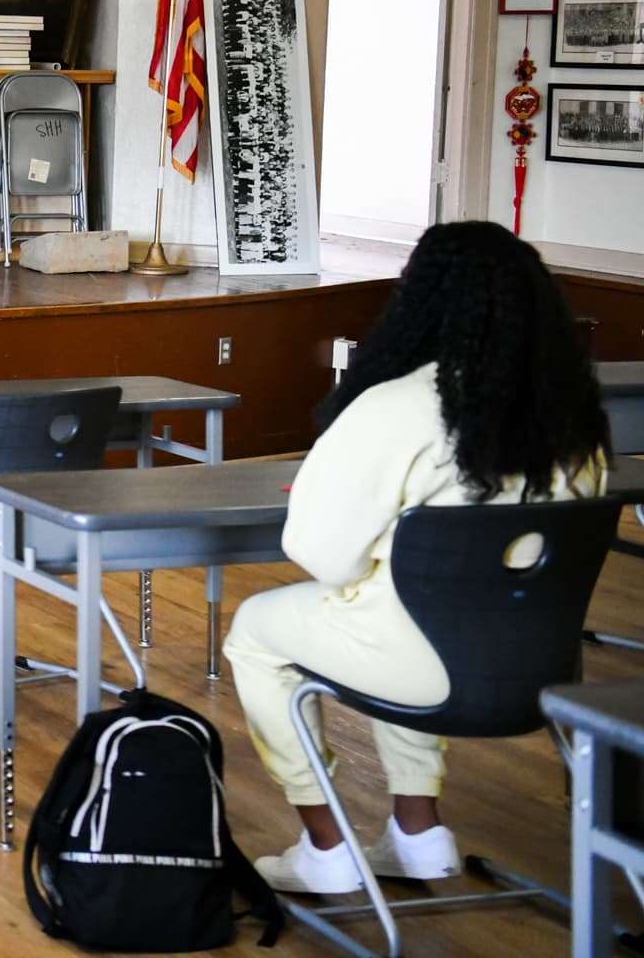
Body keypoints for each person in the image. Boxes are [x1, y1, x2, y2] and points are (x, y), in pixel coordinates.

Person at [223, 221, 609, 894]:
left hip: (422, 669)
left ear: (420, 303)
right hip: (542, 670)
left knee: (260, 630)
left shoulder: (399, 406)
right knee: (391, 612)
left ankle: (326, 845)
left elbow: (323, 558)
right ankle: (416, 833)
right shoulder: (578, 423)